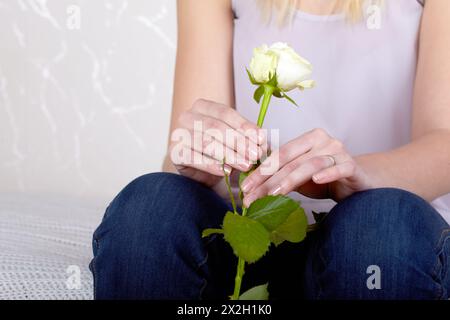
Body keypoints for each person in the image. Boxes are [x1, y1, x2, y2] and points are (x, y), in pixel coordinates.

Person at [90, 0, 450, 300]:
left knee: (380, 224)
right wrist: (199, 159)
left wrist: (352, 175)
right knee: (151, 207)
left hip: (377, 246)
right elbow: (181, 155)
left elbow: (443, 140)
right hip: (254, 241)